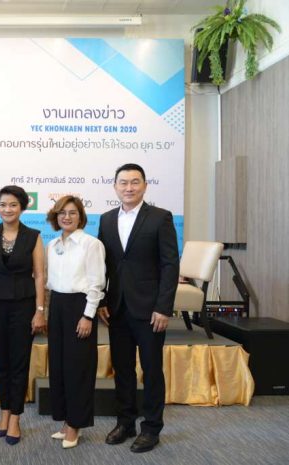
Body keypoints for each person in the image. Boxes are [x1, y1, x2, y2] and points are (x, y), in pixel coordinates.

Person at [97, 163, 179, 453]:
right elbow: (103, 265)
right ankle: (126, 422)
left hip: (150, 310)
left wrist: (163, 307)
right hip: (117, 308)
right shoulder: (106, 219)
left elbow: (170, 264)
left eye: (135, 182)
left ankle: (152, 428)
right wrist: (102, 300)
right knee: (122, 369)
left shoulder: (160, 217)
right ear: (115, 186)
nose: (129, 187)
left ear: (145, 185)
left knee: (152, 369)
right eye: (123, 182)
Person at [0, 185, 46, 445]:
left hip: (24, 306)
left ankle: (15, 417)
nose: (8, 209)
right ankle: (4, 412)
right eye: (3, 205)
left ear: (22, 207)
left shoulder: (33, 236)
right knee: (2, 362)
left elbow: (40, 275)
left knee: (19, 363)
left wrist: (40, 310)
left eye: (13, 205)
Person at [45, 195, 105, 449]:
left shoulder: (91, 244)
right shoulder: (52, 244)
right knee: (58, 367)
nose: (66, 217)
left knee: (78, 369)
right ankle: (65, 421)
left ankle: (75, 425)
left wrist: (88, 315)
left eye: (72, 212)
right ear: (55, 217)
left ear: (81, 216)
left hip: (80, 307)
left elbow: (97, 283)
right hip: (57, 305)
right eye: (62, 213)